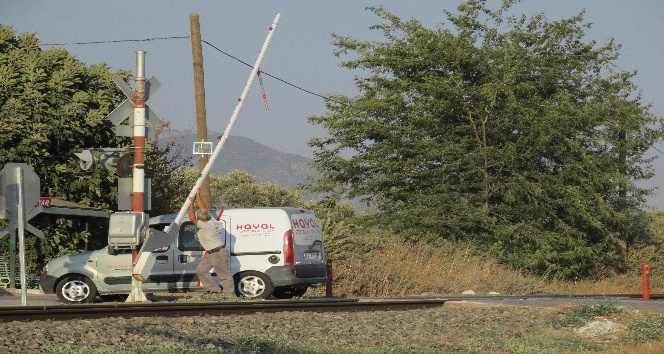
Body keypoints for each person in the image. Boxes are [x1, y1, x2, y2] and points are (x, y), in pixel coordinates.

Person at [188, 191, 235, 296]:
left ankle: (228, 295)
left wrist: (190, 204)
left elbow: (191, 218)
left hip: (217, 253)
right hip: (212, 252)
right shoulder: (213, 221)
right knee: (201, 270)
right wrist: (198, 195)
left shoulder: (206, 226)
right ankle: (214, 290)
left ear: (201, 220)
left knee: (224, 275)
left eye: (199, 219)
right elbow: (203, 209)